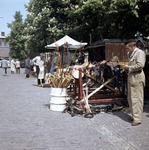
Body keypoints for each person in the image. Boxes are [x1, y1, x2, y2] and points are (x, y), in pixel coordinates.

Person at [121, 39, 146, 126]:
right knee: (131, 98)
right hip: (132, 78)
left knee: (136, 99)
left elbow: (140, 65)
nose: (127, 50)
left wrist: (128, 68)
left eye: (128, 48)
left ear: (132, 46)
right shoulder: (133, 54)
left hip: (137, 78)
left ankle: (137, 119)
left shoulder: (139, 53)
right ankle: (134, 116)